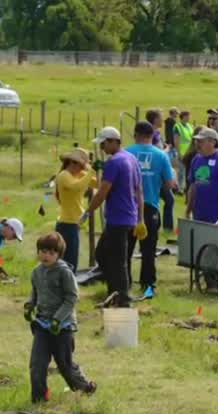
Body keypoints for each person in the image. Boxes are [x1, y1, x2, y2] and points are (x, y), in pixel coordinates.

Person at [24, 232, 96, 403]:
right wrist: (29, 305)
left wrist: (58, 319)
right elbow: (35, 292)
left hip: (63, 326)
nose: (46, 256)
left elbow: (72, 297)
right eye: (42, 251)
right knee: (37, 364)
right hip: (42, 324)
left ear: (58, 254)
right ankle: (39, 398)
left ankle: (84, 387)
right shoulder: (36, 272)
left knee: (64, 364)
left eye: (51, 253)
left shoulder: (64, 273)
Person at [83, 126, 141, 308]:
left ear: (113, 141)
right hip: (128, 216)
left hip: (118, 218)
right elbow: (139, 190)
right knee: (104, 254)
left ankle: (122, 298)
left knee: (117, 260)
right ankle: (114, 292)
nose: (101, 148)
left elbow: (102, 192)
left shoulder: (114, 162)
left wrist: (88, 211)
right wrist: (140, 217)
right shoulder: (131, 159)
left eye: (103, 144)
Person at [126, 120, 175, 293]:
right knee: (148, 250)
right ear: (152, 136)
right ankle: (147, 283)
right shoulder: (161, 155)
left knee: (127, 248)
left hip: (128, 207)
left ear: (136, 135)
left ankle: (125, 282)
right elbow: (170, 183)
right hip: (150, 206)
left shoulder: (126, 153)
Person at [54, 148, 96, 272]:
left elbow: (97, 183)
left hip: (74, 223)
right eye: (82, 166)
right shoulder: (63, 176)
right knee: (67, 260)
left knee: (72, 259)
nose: (83, 169)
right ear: (73, 163)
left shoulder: (80, 174)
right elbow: (76, 187)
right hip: (66, 223)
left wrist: (102, 171)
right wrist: (91, 172)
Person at [187, 128, 218, 224]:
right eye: (197, 141)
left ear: (213, 142)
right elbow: (193, 187)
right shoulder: (196, 159)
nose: (197, 144)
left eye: (201, 141)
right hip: (199, 214)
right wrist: (188, 210)